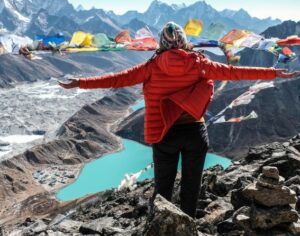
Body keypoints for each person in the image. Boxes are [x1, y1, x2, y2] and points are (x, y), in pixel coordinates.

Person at [59, 22, 299, 218]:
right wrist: (273, 73)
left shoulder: (151, 66)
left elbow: (116, 79)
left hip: (164, 134)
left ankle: (160, 226)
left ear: (161, 43)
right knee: (191, 188)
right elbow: (235, 72)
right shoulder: (199, 63)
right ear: (184, 41)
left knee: (162, 188)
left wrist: (79, 82)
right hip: (195, 133)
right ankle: (187, 226)